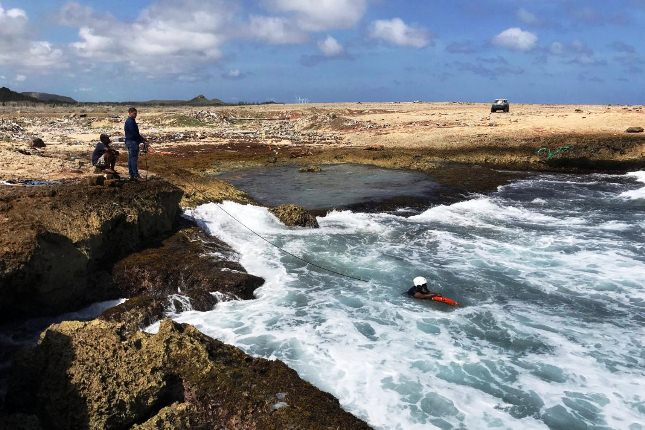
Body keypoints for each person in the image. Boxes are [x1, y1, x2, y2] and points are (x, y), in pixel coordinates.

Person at [124, 107, 148, 181]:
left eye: (136, 113)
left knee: (131, 159)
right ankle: (136, 175)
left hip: (130, 141)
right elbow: (134, 134)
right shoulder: (130, 121)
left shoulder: (130, 121)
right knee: (133, 159)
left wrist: (142, 139)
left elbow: (136, 133)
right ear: (130, 113)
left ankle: (131, 175)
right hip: (132, 142)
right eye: (134, 113)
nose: (136, 115)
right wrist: (142, 140)